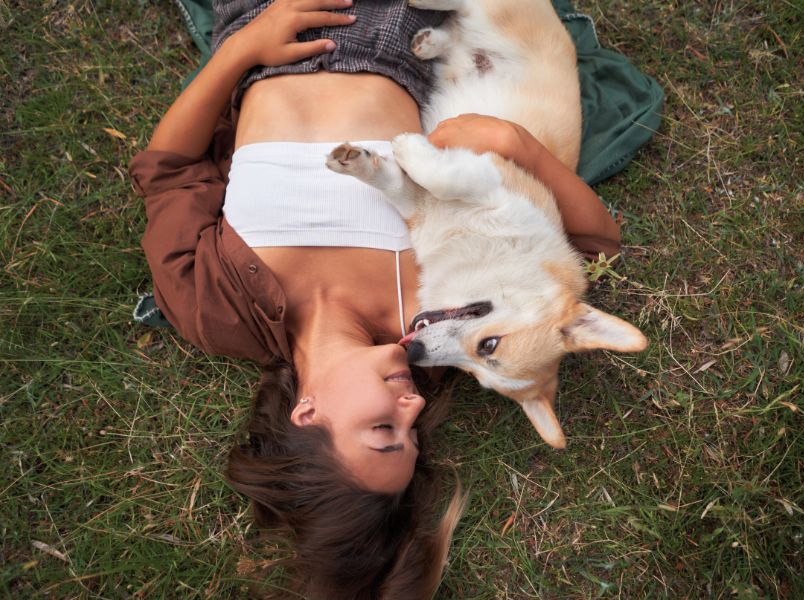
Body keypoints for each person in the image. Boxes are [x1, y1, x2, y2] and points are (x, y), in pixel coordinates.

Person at [129, 0, 620, 597]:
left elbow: (170, 171)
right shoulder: (435, 317)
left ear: (308, 415)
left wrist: (241, 49)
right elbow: (590, 242)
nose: (412, 408)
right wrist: (515, 143)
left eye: (385, 429)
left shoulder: (212, 309)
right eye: (413, 436)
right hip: (403, 25)